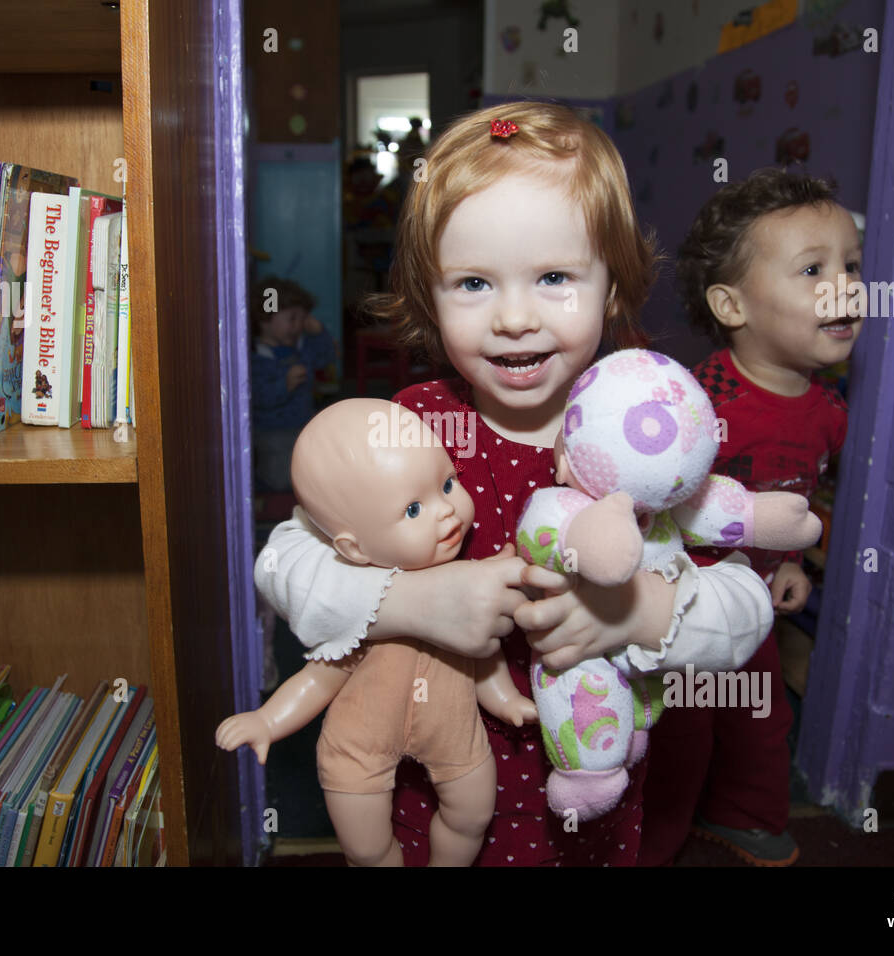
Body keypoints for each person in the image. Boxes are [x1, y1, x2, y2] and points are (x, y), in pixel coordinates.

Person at [252, 101, 774, 866]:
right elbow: (283, 565)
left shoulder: (649, 422)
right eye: (473, 283)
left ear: (613, 285)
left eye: (555, 277)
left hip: (594, 794)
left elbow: (747, 607)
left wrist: (641, 612)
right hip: (435, 785)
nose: (515, 317)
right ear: (430, 295)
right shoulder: (412, 423)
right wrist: (412, 600)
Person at [639, 168, 861, 866]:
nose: (845, 286)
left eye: (852, 265)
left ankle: (745, 814)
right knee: (681, 732)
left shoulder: (828, 410)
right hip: (686, 604)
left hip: (757, 599)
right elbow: (654, 504)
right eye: (813, 270)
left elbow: (800, 494)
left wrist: (790, 560)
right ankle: (650, 841)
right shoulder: (699, 406)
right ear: (732, 305)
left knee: (763, 717)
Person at [218, 399, 536, 865]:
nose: (447, 512)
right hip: (360, 740)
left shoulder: (469, 581)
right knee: (364, 844)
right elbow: (317, 678)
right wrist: (267, 720)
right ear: (354, 549)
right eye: (412, 510)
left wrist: (506, 701)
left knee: (470, 812)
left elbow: (485, 651)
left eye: (448, 483)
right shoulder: (360, 610)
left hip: (454, 732)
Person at [249, 277, 335, 493]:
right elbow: (257, 398)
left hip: (303, 424)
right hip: (272, 433)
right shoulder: (257, 358)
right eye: (292, 318)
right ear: (265, 319)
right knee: (280, 478)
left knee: (314, 467)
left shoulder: (300, 348)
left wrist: (318, 332)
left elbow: (326, 357)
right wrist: (283, 385)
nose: (299, 326)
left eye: (302, 318)